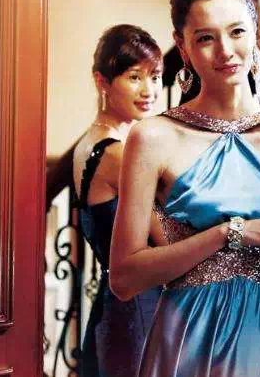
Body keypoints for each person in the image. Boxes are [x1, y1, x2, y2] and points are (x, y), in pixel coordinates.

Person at [110, 0, 260, 377]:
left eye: (237, 32)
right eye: (206, 38)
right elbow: (124, 277)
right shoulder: (152, 137)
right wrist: (229, 233)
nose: (225, 51)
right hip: (188, 340)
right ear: (182, 46)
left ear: (255, 30)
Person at [72, 24, 164, 377]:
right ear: (102, 81)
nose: (148, 90)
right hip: (138, 309)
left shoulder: (90, 142)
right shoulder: (117, 154)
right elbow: (167, 237)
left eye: (154, 77)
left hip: (116, 304)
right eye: (134, 77)